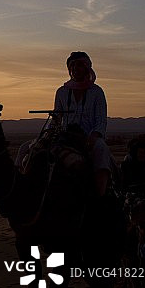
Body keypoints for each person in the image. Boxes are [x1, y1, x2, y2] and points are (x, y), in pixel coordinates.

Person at [52, 51, 116, 196]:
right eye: (72, 65)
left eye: (79, 65)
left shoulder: (97, 92)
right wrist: (49, 133)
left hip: (89, 137)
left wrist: (94, 136)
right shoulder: (61, 92)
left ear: (87, 67)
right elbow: (56, 117)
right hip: (66, 136)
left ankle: (100, 195)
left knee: (101, 149)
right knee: (29, 149)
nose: (75, 68)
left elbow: (101, 120)